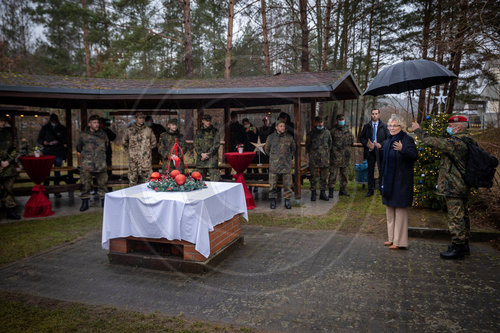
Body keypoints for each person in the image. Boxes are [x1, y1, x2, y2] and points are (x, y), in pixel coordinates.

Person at [412, 115, 471, 259]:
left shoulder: (457, 142)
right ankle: (463, 245)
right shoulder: (467, 140)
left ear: (457, 127)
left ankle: (458, 247)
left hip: (455, 186)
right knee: (463, 216)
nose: (448, 128)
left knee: (456, 217)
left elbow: (433, 142)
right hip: (461, 184)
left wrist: (419, 131)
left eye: (450, 126)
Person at [381, 115, 418, 250]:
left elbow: (414, 156)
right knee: (390, 210)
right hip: (389, 181)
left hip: (401, 181)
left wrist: (403, 149)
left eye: (394, 126)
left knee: (400, 212)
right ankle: (391, 238)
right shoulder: (388, 141)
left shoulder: (407, 140)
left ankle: (400, 241)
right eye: (390, 126)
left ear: (401, 127)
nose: (391, 128)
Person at [76, 115, 109, 212]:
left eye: (97, 123)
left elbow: (106, 147)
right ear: (89, 124)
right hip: (87, 164)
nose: (97, 124)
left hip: (100, 163)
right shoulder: (83, 135)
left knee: (103, 184)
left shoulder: (103, 135)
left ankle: (104, 202)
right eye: (94, 123)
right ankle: (85, 202)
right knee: (85, 184)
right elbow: (79, 147)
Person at [265, 119, 296, 209]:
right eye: (281, 126)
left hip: (286, 165)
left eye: (284, 126)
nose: (283, 128)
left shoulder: (289, 137)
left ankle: (287, 201)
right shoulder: (270, 137)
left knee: (287, 185)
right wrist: (274, 158)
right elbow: (267, 150)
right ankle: (273, 201)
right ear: (276, 127)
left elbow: (293, 149)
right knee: (272, 185)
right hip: (274, 166)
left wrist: (287, 157)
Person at [359, 109, 389, 196]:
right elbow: (361, 138)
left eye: (376, 114)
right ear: (371, 115)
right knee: (370, 171)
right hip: (370, 151)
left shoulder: (384, 126)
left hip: (380, 151)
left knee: (381, 170)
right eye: (373, 114)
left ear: (379, 115)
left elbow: (388, 139)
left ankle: (381, 189)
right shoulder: (367, 126)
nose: (374, 115)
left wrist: (381, 144)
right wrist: (367, 144)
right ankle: (370, 190)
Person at [123, 112, 157, 186]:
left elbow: (154, 143)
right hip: (133, 159)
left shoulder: (148, 130)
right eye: (140, 118)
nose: (142, 120)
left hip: (145, 160)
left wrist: (146, 150)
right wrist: (131, 152)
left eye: (143, 118)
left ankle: (148, 195)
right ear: (136, 119)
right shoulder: (130, 130)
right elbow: (124, 142)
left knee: (147, 179)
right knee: (132, 179)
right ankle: (132, 196)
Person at [37, 113, 67, 196]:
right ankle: (46, 190)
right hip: (48, 152)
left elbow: (65, 139)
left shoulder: (62, 128)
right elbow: (39, 139)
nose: (54, 122)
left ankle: (57, 190)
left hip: (58, 151)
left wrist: (59, 142)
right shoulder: (45, 128)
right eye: (53, 121)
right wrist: (44, 142)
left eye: (55, 121)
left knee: (57, 171)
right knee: (47, 172)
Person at [306, 116, 332, 201]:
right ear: (315, 123)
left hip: (324, 158)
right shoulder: (311, 134)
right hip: (314, 159)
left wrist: (326, 153)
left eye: (321, 122)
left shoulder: (327, 133)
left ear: (323, 123)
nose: (320, 124)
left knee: (324, 177)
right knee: (313, 177)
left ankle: (322, 193)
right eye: (318, 122)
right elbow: (307, 146)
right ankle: (313, 193)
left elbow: (330, 144)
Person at [328, 114, 354, 198]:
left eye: (342, 119)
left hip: (345, 157)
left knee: (344, 174)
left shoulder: (347, 130)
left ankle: (342, 190)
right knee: (333, 174)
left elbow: (352, 141)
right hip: (335, 157)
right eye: (340, 119)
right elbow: (329, 143)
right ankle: (331, 191)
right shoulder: (332, 131)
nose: (341, 121)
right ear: (337, 120)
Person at [0, 115, 21, 219]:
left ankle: (10, 210)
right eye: (1, 121)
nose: (3, 123)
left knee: (9, 189)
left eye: (4, 121)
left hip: (8, 168)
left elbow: (15, 148)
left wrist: (8, 161)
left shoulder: (8, 134)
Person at [194, 114, 220, 181]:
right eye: (206, 121)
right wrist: (201, 154)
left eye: (209, 121)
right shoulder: (198, 132)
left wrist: (208, 154)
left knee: (215, 182)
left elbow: (216, 144)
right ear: (203, 121)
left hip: (212, 159)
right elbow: (196, 144)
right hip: (201, 160)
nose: (208, 122)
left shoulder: (215, 131)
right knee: (199, 181)